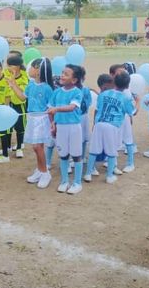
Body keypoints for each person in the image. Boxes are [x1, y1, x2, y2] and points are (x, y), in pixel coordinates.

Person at [8, 57, 54, 189]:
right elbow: (23, 97)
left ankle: (45, 173)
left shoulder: (47, 88)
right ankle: (40, 170)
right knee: (35, 147)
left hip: (42, 119)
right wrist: (13, 85)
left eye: (32, 67)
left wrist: (52, 123)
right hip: (32, 118)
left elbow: (51, 108)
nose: (29, 69)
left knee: (38, 147)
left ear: (38, 70)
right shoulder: (31, 84)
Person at [84, 71, 135, 184]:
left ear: (114, 82)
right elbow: (131, 111)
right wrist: (137, 101)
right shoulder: (125, 98)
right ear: (127, 86)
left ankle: (88, 173)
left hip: (99, 124)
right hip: (112, 126)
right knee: (112, 152)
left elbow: (99, 108)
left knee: (93, 150)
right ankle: (109, 175)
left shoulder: (103, 94)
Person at [48, 64, 84, 195]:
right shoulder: (56, 92)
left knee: (76, 155)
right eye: (62, 73)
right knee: (63, 155)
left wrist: (56, 109)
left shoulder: (77, 92)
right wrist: (53, 124)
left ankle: (77, 183)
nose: (62, 76)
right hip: (60, 127)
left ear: (74, 80)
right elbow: (50, 110)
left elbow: (72, 107)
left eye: (66, 74)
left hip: (74, 127)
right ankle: (64, 181)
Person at [5, 53, 28, 158]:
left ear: (18, 66)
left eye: (11, 65)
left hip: (19, 105)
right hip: (8, 104)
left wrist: (13, 80)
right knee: (8, 126)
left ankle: (19, 148)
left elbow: (23, 93)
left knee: (20, 127)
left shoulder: (24, 76)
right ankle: (7, 146)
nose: (8, 68)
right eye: (8, 65)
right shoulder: (5, 73)